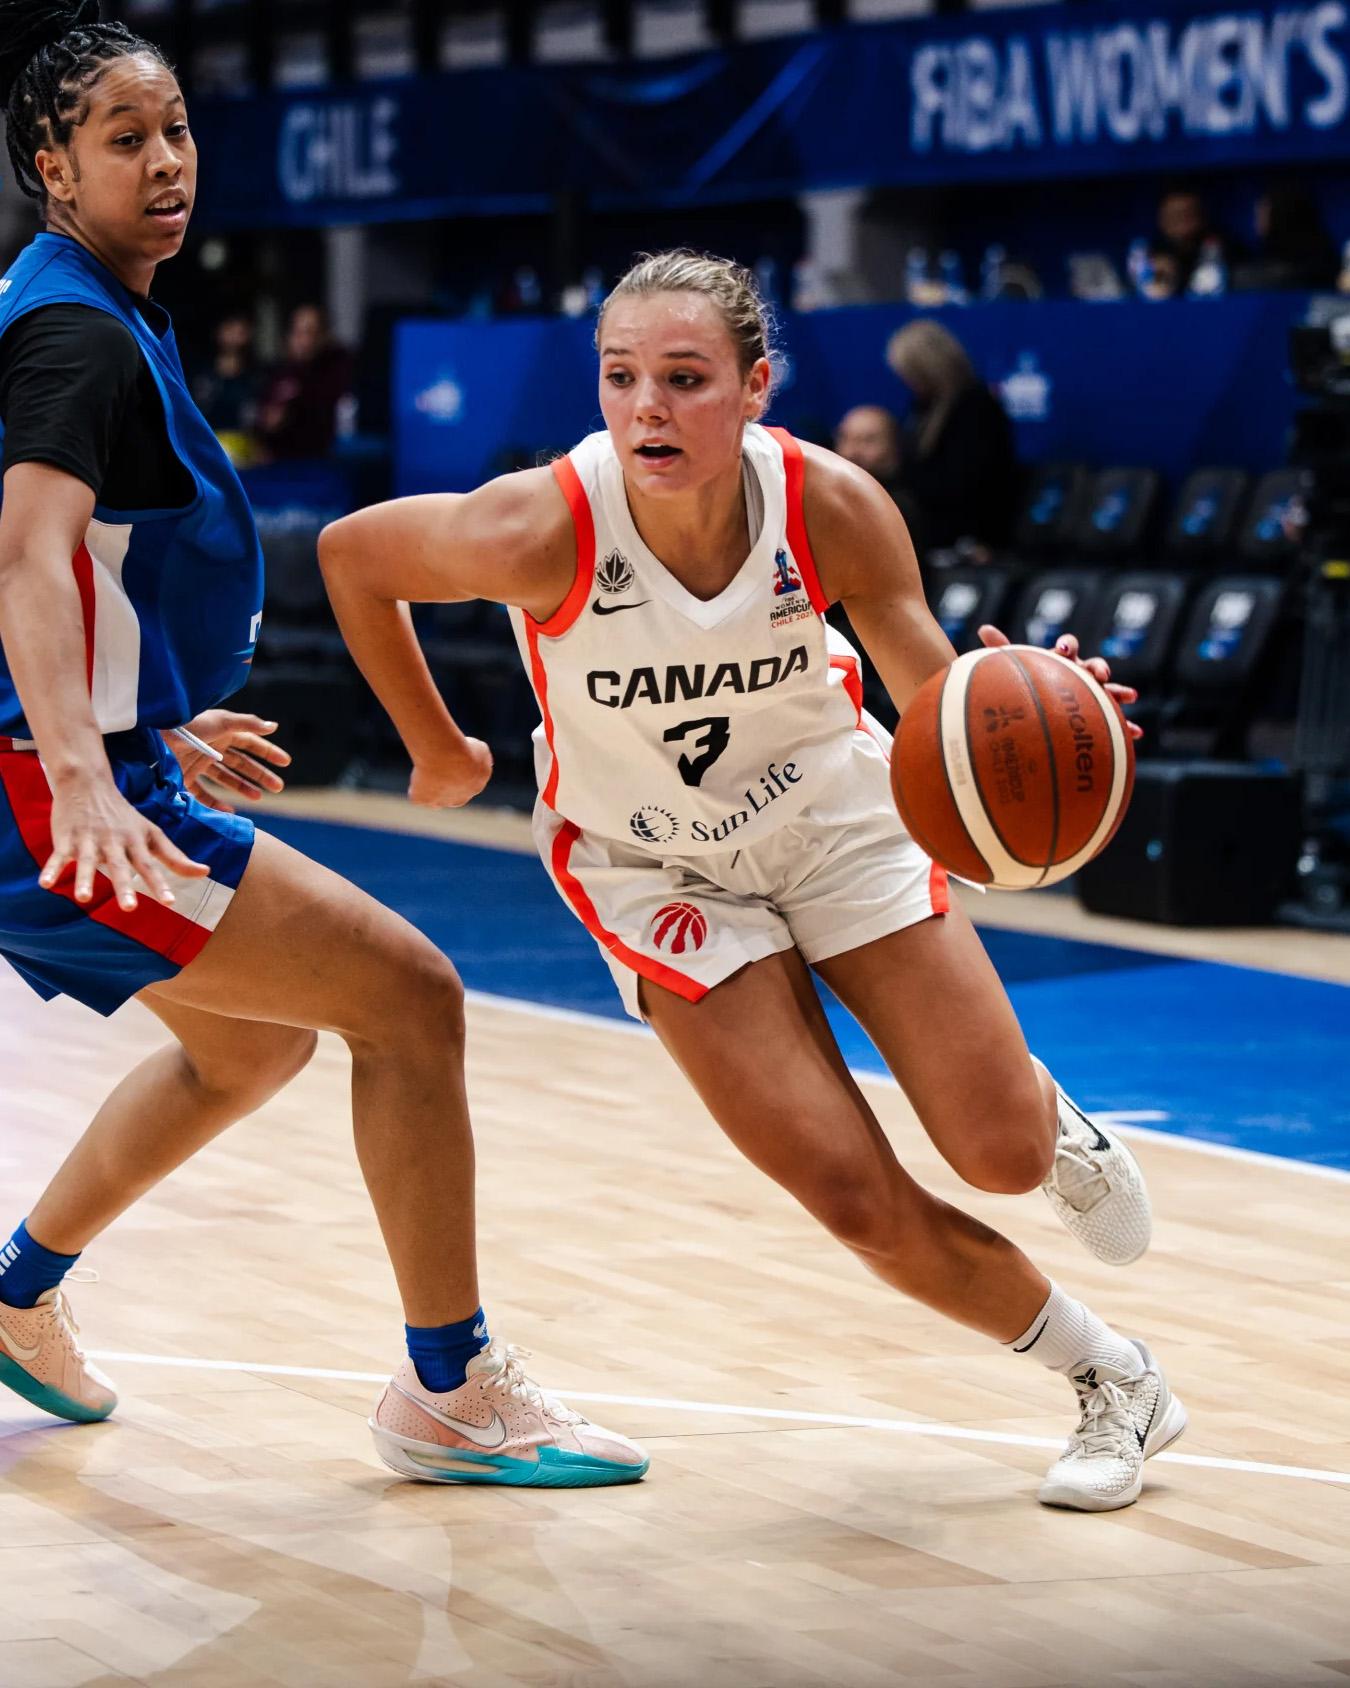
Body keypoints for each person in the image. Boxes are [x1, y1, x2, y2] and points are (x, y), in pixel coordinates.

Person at [319, 250, 1186, 1514]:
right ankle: (1115, 1379)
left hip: (833, 819)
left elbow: (928, 695)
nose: (647, 410)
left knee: (994, 1149)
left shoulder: (829, 503)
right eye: (622, 379)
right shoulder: (543, 522)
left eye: (684, 379)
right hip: (652, 864)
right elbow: (352, 554)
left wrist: (1037, 720)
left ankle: (1045, 1119)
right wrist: (437, 741)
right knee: (847, 1187)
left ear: (754, 387)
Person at [0, 1, 645, 1490]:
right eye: (123, 139)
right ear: (52, 165)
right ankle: (451, 1387)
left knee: (250, 1046)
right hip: (59, 796)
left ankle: (20, 1293)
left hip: (76, 763)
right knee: (412, 1000)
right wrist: (91, 768)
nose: (167, 162)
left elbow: (79, 566)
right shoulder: (73, 339)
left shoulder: (75, 301)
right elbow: (25, 559)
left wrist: (141, 704)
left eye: (174, 131)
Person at [885, 320, 1019, 551]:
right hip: (926, 526)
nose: (909, 383)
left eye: (914, 374)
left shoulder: (976, 409)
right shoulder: (923, 407)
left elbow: (975, 485)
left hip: (968, 533)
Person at [255, 303, 352, 462]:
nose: (304, 340)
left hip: (325, 467)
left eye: (311, 332)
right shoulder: (276, 374)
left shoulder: (340, 369)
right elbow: (262, 423)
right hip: (281, 469)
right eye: (297, 332)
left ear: (325, 335)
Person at [1232, 179, 1338, 292]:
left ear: (1283, 210)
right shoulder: (1262, 252)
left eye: (1265, 205)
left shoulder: (1318, 259)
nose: (1257, 210)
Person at [188, 309, 260, 463]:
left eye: (241, 329)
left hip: (245, 449)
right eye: (230, 328)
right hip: (207, 447)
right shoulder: (202, 377)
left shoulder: (257, 377)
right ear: (219, 333)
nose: (235, 334)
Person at [1150, 184, 1239, 294]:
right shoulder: (1150, 254)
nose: (1182, 226)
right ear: (1162, 220)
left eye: (1188, 215)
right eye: (1176, 217)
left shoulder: (1226, 249)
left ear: (1202, 216)